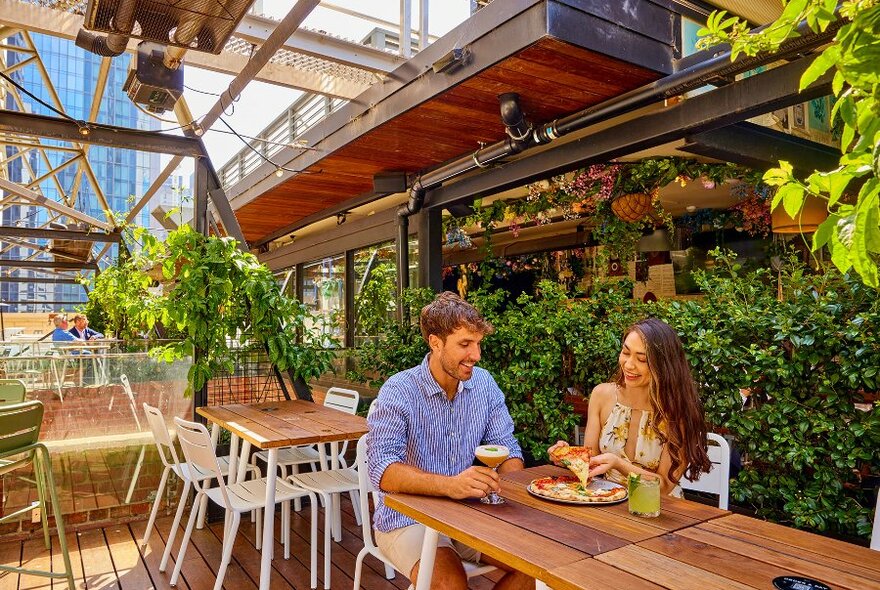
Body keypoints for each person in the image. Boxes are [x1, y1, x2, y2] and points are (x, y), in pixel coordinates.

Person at [367, 292, 533, 590]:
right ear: (435, 343)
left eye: (478, 343)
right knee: (450, 584)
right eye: (465, 344)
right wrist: (451, 485)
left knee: (542, 567)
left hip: (469, 514)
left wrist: (517, 494)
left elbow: (506, 448)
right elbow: (383, 470)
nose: (476, 355)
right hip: (407, 518)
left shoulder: (483, 384)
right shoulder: (399, 389)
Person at [549, 318, 711, 496]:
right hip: (607, 501)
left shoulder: (678, 411)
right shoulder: (602, 395)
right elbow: (591, 464)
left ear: (664, 366)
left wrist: (619, 464)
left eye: (641, 359)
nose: (628, 364)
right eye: (625, 352)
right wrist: (567, 457)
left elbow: (664, 487)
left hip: (658, 509)